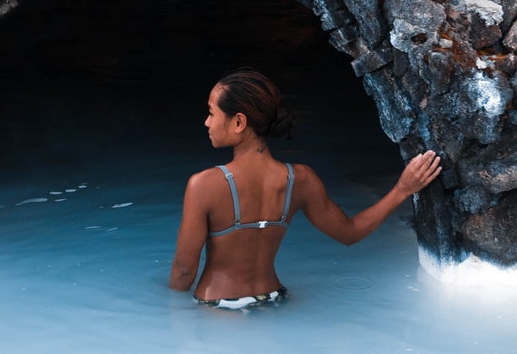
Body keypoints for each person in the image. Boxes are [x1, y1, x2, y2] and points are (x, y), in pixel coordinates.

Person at [168, 69, 442, 309]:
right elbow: (350, 233)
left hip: (218, 308)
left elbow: (183, 270)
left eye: (211, 113)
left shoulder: (204, 185)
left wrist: (168, 313)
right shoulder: (300, 179)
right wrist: (403, 189)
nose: (206, 122)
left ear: (239, 122)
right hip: (274, 299)